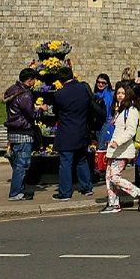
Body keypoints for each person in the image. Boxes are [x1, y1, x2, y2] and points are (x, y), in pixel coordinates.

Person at [103, 85, 140, 213]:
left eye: (123, 93)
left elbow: (130, 131)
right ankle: (113, 203)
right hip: (114, 149)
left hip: (122, 149)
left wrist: (117, 142)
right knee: (108, 176)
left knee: (114, 177)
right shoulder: (120, 110)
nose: (120, 95)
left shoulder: (132, 110)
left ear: (128, 94)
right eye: (118, 93)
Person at [51, 68, 94, 201]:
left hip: (66, 132)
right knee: (81, 160)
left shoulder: (59, 94)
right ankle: (87, 187)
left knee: (66, 163)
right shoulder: (83, 89)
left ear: (61, 80)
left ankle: (65, 192)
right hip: (81, 130)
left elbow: (55, 112)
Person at [4, 67, 39, 201]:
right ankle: (15, 193)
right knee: (22, 165)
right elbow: (31, 114)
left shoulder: (12, 90)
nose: (35, 82)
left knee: (17, 163)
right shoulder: (25, 94)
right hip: (23, 132)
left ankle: (19, 190)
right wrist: (41, 109)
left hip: (13, 132)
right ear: (29, 80)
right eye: (34, 80)